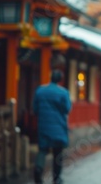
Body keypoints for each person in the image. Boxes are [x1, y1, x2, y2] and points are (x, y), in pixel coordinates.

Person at [33, 54, 72, 184]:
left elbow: (35, 109)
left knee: (42, 150)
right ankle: (56, 178)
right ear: (60, 79)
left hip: (44, 126)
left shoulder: (40, 90)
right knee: (58, 153)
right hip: (58, 127)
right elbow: (67, 109)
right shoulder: (63, 93)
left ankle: (38, 170)